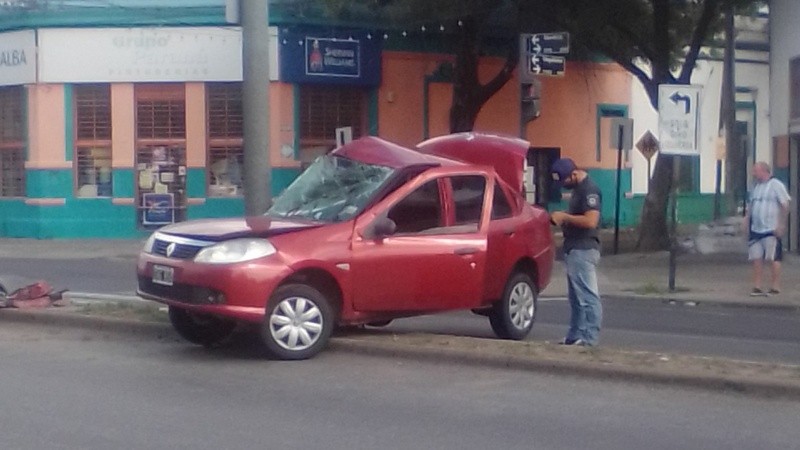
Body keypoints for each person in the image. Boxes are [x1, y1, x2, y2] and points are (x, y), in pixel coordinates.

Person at [549, 158, 602, 346]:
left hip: (584, 248)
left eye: (564, 181)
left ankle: (589, 339)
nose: (563, 186)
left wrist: (564, 217)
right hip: (574, 248)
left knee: (587, 297)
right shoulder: (579, 190)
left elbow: (590, 221)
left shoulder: (589, 190)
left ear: (573, 174)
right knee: (576, 299)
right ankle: (574, 335)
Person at [743, 162, 790, 296]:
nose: (753, 174)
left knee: (773, 258)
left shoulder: (776, 185)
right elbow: (751, 205)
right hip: (756, 228)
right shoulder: (756, 187)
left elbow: (785, 205)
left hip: (771, 228)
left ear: (764, 171)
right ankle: (757, 286)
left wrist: (781, 224)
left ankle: (775, 286)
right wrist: (747, 219)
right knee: (756, 257)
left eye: (755, 171)